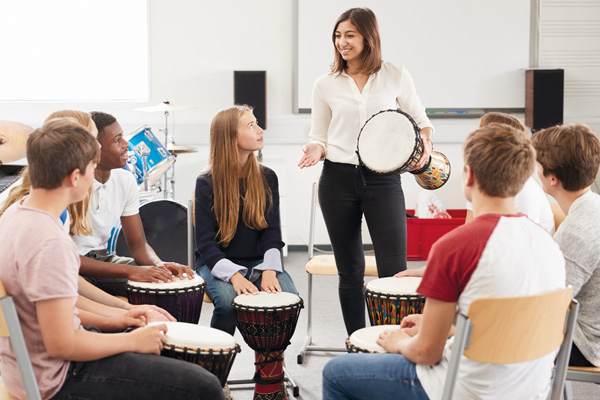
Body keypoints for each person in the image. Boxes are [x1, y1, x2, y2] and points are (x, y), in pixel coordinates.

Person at [322, 123, 566, 400]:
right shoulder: (549, 242)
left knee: (336, 372)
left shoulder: (455, 246)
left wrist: (402, 342)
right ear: (523, 177)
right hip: (529, 388)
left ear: (468, 175)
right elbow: (508, 321)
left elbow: (426, 353)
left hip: (466, 388)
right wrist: (445, 329)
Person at [0, 119, 224, 400]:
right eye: (92, 168)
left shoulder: (16, 213)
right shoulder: (48, 241)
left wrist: (121, 316)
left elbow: (53, 311)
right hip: (58, 377)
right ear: (74, 177)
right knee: (204, 386)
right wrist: (130, 340)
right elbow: (62, 343)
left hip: (27, 366)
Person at [297, 7, 434, 335]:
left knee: (393, 270)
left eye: (350, 35)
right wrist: (315, 148)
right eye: (337, 35)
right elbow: (320, 135)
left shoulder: (395, 75)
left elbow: (422, 123)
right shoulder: (324, 84)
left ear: (368, 37)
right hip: (337, 179)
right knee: (351, 270)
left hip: (384, 179)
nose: (342, 42)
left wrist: (425, 148)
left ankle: (391, 341)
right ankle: (357, 341)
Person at [0, 110, 175, 324]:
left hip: (74, 294)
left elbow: (69, 287)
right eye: (94, 142)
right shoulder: (42, 223)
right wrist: (122, 320)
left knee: (165, 292)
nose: (98, 149)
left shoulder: (49, 212)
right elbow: (62, 317)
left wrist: (127, 308)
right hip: (53, 341)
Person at [396, 112, 555, 279]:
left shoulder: (525, 191)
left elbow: (522, 256)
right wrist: (428, 269)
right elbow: (469, 236)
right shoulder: (481, 183)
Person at [195, 105, 298, 335]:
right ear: (231, 137)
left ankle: (269, 369)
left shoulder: (267, 177)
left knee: (288, 300)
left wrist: (270, 270)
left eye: (257, 123)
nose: (260, 129)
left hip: (258, 261)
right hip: (215, 263)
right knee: (227, 304)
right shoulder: (206, 182)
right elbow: (205, 243)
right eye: (251, 125)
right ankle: (215, 367)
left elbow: (272, 233)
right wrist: (234, 276)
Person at [72, 111, 193, 297]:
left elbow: (138, 245)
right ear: (94, 147)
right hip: (74, 267)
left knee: (169, 287)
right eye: (117, 140)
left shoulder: (125, 180)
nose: (126, 145)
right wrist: (130, 271)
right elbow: (67, 259)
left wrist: (159, 265)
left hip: (103, 258)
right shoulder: (73, 185)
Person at [532, 123, 600, 367]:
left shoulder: (576, 231)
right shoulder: (593, 206)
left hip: (585, 344)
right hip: (586, 331)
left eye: (537, 164)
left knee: (486, 336)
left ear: (552, 178)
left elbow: (546, 304)